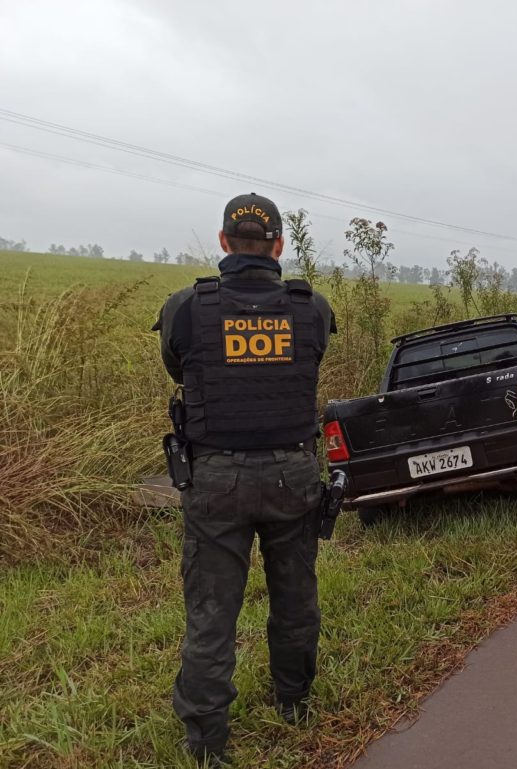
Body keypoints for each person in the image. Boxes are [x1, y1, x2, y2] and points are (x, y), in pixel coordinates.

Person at [153, 192, 336, 765]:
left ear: (224, 243)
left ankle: (207, 742)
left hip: (215, 478)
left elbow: (178, 366)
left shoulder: (187, 306)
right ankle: (294, 702)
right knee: (295, 597)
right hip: (292, 472)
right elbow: (312, 362)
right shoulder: (313, 307)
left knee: (212, 611)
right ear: (278, 246)